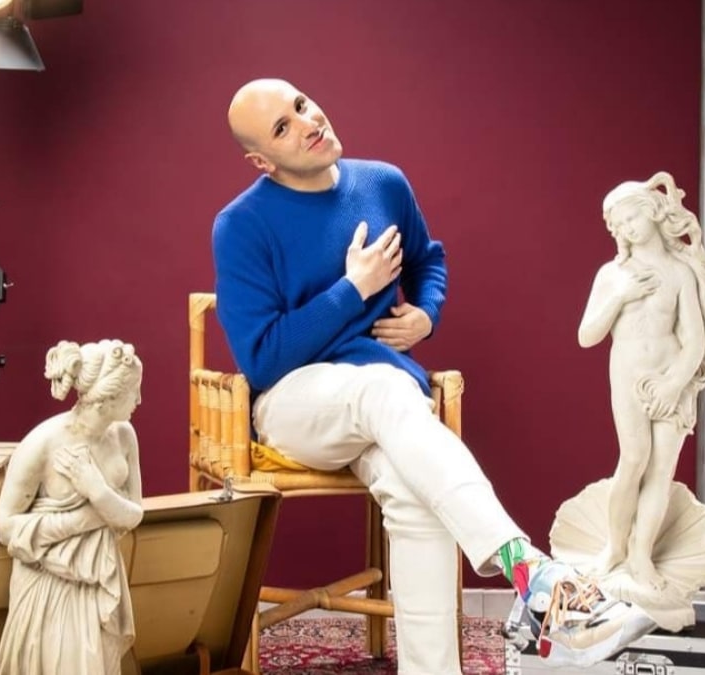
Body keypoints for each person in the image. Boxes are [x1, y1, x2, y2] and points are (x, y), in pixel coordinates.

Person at [211, 78, 650, 672]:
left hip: (388, 401)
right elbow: (262, 358)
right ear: (262, 161)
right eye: (283, 128)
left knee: (418, 497)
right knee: (381, 390)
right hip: (294, 406)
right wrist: (353, 290)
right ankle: (536, 574)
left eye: (301, 105)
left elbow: (428, 260)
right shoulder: (241, 225)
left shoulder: (383, 184)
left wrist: (424, 313)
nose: (308, 123)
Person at [578, 172, 705, 590]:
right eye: (618, 224)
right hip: (628, 376)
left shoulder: (680, 273)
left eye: (631, 218)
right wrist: (620, 296)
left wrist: (675, 384)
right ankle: (615, 547)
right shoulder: (612, 275)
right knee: (633, 460)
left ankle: (641, 555)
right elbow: (587, 336)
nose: (626, 229)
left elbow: (695, 340)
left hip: (671, 378)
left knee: (660, 470)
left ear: (652, 212)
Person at [0, 339, 145, 675]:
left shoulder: (124, 436)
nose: (139, 400)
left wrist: (97, 490)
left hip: (100, 578)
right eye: (133, 391)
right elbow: (5, 527)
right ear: (108, 398)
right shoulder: (42, 443)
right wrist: (91, 516)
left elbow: (134, 513)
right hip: (48, 585)